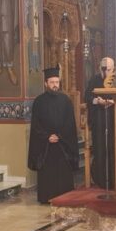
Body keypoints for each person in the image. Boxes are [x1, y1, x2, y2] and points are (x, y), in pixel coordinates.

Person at [28, 66, 79, 204]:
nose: (55, 85)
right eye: (52, 82)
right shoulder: (39, 102)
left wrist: (59, 136)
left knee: (63, 173)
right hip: (46, 146)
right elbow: (36, 125)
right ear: (46, 83)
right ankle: (46, 198)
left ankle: (65, 198)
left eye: (57, 82)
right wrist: (47, 137)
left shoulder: (66, 100)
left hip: (62, 145)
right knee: (47, 174)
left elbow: (70, 123)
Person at [84, 57, 115, 189]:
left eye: (109, 69)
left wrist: (113, 102)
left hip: (114, 119)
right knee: (100, 148)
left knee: (113, 148)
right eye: (104, 69)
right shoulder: (95, 79)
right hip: (99, 119)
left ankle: (114, 179)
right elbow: (87, 97)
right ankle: (101, 180)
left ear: (113, 69)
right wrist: (97, 101)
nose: (106, 72)